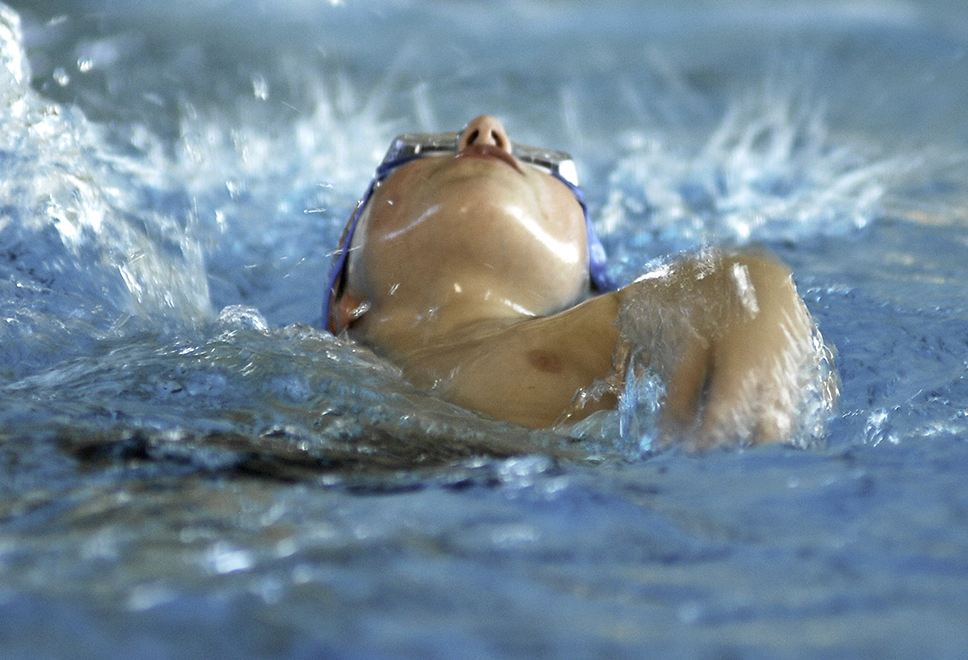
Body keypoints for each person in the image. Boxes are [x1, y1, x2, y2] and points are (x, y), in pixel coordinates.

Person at [325, 114, 838, 448]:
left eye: (548, 167)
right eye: (416, 152)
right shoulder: (283, 357)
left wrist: (746, 283)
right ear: (346, 302)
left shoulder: (599, 341)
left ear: (586, 285)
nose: (485, 132)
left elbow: (687, 296)